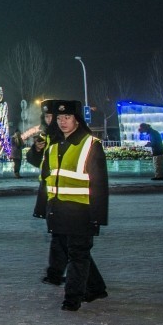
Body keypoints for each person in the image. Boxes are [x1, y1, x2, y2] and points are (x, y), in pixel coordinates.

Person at [34, 100, 108, 311]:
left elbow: (99, 183)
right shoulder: (53, 145)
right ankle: (96, 287)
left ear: (77, 120)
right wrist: (43, 209)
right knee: (74, 252)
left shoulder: (90, 144)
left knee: (78, 254)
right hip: (58, 210)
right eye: (59, 118)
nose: (63, 122)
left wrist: (97, 216)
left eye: (67, 118)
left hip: (81, 211)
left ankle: (72, 298)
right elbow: (46, 178)